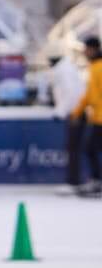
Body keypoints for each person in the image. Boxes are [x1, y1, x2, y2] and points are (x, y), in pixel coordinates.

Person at [46, 52, 92, 195]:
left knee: (73, 148)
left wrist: (60, 111)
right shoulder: (66, 69)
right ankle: (75, 180)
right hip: (75, 112)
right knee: (73, 148)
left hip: (76, 113)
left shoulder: (64, 70)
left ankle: (74, 181)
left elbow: (72, 93)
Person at [71, 37, 102, 197]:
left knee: (90, 148)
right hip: (97, 118)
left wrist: (78, 111)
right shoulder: (94, 67)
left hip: (100, 118)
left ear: (94, 49)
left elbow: (92, 95)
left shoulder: (98, 68)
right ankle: (96, 180)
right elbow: (90, 94)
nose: (85, 52)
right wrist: (78, 111)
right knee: (91, 149)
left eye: (87, 49)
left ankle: (97, 181)